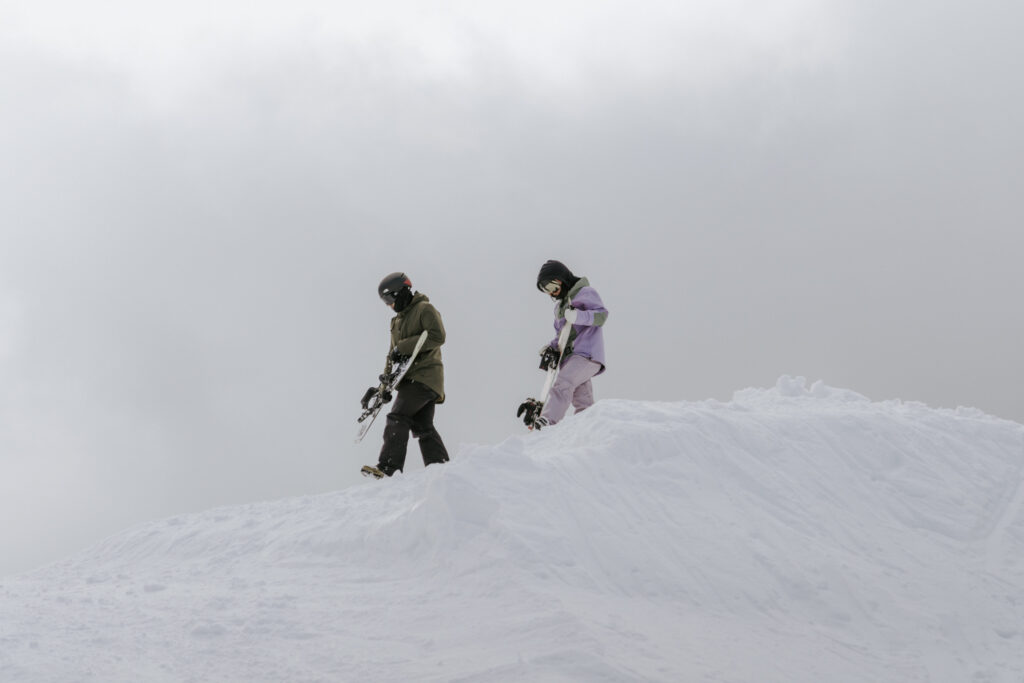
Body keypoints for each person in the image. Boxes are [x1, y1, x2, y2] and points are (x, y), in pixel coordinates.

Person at [361, 272, 449, 478]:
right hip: (412, 379)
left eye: (391, 299)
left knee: (397, 417)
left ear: (401, 292)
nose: (390, 305)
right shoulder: (396, 322)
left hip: (424, 375)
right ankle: (441, 468)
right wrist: (382, 388)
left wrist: (403, 347)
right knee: (423, 427)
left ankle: (389, 467)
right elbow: (391, 355)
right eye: (386, 302)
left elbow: (438, 335)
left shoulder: (424, 309)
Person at [519, 260, 608, 429]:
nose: (551, 293)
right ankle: (588, 428)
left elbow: (601, 316)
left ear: (562, 279)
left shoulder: (585, 293)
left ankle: (548, 421)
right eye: (546, 291)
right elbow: (562, 335)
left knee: (564, 383)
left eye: (552, 287)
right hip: (570, 359)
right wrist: (551, 347)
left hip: (586, 354)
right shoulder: (560, 308)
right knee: (582, 400)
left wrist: (579, 317)